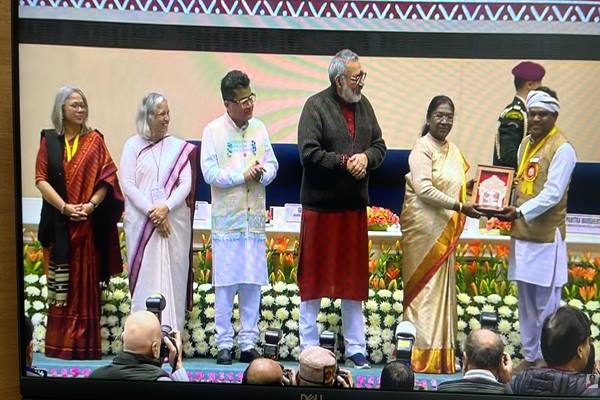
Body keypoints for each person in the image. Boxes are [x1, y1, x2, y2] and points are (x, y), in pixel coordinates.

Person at [297, 49, 386, 369]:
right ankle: (308, 345)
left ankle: (356, 347)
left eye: (362, 76)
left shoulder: (365, 106)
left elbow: (380, 146)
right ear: (338, 80)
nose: (361, 82)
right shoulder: (315, 106)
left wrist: (366, 158)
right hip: (321, 208)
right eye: (355, 77)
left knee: (352, 282)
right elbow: (308, 153)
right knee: (313, 281)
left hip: (352, 209)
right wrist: (345, 162)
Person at [35, 85, 123, 359]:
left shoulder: (94, 140)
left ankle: (85, 347)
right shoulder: (50, 141)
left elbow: (107, 179)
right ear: (61, 109)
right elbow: (40, 179)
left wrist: (90, 205)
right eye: (75, 104)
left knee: (84, 287)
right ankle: (58, 345)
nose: (81, 109)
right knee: (62, 289)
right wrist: (64, 208)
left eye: (83, 104)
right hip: (59, 226)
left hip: (86, 226)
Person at [200, 70, 279, 365]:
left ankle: (248, 343)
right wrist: (241, 175)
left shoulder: (259, 128)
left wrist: (263, 173)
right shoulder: (213, 131)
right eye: (243, 101)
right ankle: (224, 343)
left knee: (251, 284)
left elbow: (273, 164)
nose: (249, 105)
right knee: (225, 286)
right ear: (227, 104)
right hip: (228, 221)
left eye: (251, 98)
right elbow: (210, 173)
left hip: (253, 220)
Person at [495, 87, 576, 369]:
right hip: (522, 235)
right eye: (532, 113)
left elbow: (553, 193)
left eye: (542, 114)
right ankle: (531, 357)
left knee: (547, 304)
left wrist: (519, 211)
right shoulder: (525, 145)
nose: (536, 119)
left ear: (554, 115)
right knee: (526, 302)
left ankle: (548, 359)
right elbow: (520, 185)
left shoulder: (563, 149)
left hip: (546, 237)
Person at [400, 95, 482, 374]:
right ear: (429, 117)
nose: (445, 121)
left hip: (442, 229)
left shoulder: (453, 150)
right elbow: (423, 190)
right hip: (424, 232)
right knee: (423, 292)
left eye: (449, 116)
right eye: (439, 115)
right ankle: (419, 355)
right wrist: (460, 206)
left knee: (441, 293)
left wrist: (476, 188)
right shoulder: (422, 148)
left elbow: (452, 186)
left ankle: (441, 356)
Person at [120, 93, 197, 333]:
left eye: (168, 113)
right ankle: (142, 335)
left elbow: (186, 183)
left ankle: (172, 333)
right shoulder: (132, 146)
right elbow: (128, 184)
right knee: (146, 276)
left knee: (173, 275)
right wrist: (152, 212)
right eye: (161, 114)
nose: (166, 118)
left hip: (173, 223)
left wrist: (166, 208)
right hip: (142, 223)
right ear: (148, 116)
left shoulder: (178, 147)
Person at [509, 306, 592, 396]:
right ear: (580, 350)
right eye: (588, 342)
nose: (589, 347)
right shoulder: (590, 390)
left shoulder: (516, 383)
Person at [89, 311, 188, 381]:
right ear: (155, 348)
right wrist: (177, 364)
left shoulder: (95, 377)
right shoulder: (162, 383)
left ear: (123, 339)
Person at [493, 61, 545, 169]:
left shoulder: (526, 112)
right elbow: (508, 155)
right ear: (529, 85)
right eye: (540, 85)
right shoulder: (515, 114)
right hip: (513, 177)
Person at [437, 329, 512, 393]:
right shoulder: (506, 392)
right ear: (501, 363)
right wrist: (505, 382)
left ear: (465, 359)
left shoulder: (444, 389)